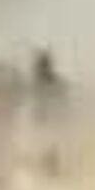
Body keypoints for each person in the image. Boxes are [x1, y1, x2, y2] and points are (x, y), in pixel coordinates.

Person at [29, 49, 71, 178]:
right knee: (44, 146)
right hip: (43, 121)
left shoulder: (50, 83)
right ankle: (48, 170)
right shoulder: (37, 83)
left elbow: (61, 101)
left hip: (50, 121)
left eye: (40, 66)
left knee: (49, 146)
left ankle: (50, 170)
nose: (37, 69)